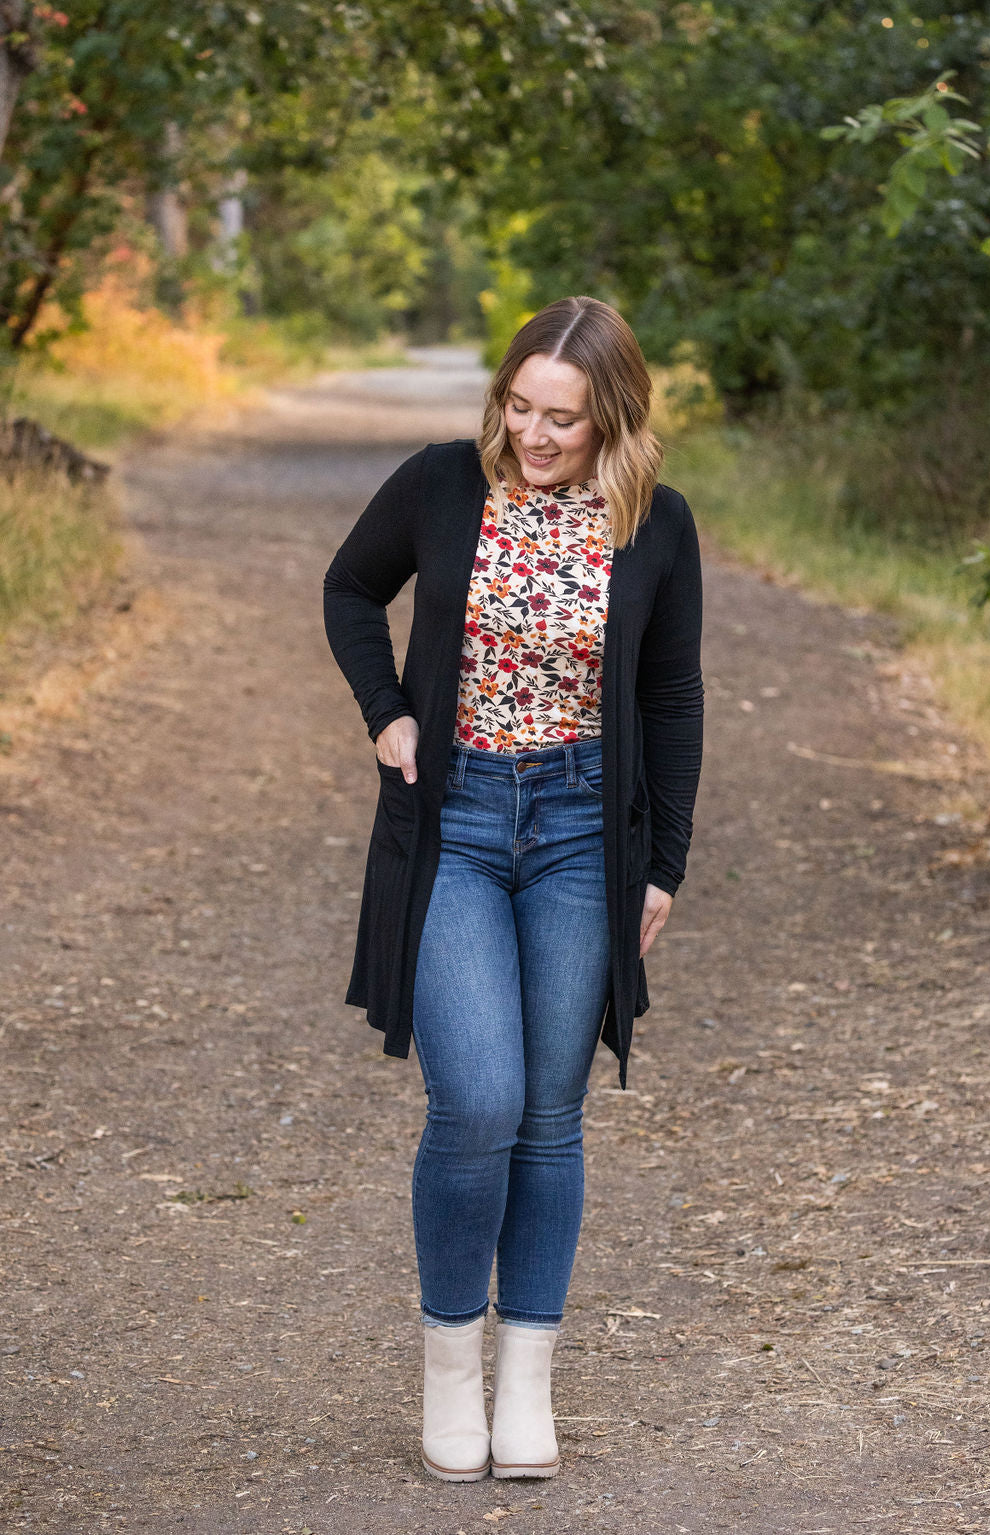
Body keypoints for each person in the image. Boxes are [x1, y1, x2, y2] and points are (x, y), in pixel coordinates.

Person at [323, 295, 703, 1482]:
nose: (532, 437)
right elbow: (349, 588)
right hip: (462, 821)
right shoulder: (442, 483)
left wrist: (663, 865)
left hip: (587, 830)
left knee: (550, 1112)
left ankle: (524, 1383)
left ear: (613, 419)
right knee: (476, 1097)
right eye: (518, 407)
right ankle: (449, 1370)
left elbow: (671, 697)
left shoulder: (655, 522)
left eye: (563, 420)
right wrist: (387, 714)